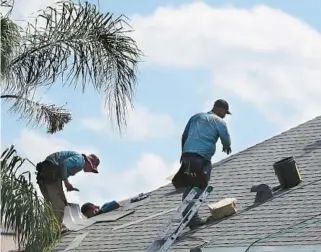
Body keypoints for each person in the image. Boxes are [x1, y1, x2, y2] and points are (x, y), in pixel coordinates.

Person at [172, 99, 232, 230]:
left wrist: (184, 153)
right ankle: (192, 218)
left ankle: (187, 214)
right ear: (221, 110)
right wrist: (227, 146)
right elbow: (226, 139)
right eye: (225, 113)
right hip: (200, 159)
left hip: (188, 157)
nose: (224, 115)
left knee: (190, 186)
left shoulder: (195, 117)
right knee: (199, 186)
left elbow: (184, 135)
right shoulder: (219, 121)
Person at [36, 151, 100, 232]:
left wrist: (66, 183)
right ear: (90, 162)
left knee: (50, 204)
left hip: (45, 173)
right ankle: (55, 229)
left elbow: (62, 169)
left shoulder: (78, 160)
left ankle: (49, 227)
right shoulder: (81, 160)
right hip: (51, 171)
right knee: (60, 204)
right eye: (92, 169)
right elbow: (64, 164)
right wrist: (66, 182)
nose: (90, 171)